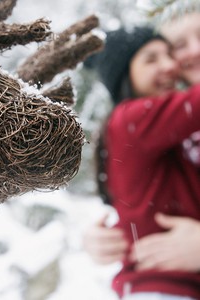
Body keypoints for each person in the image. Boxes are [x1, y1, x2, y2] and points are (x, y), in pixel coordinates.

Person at [83, 25, 200, 300]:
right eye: (151, 59)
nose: (171, 65)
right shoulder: (131, 119)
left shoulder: (162, 134)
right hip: (163, 287)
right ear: (125, 76)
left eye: (170, 55)